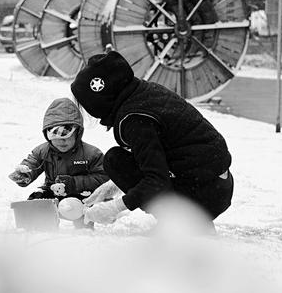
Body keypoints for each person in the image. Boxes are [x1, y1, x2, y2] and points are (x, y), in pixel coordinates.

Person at [70, 51, 234, 225]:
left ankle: (181, 223)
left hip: (205, 194)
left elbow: (157, 180)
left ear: (99, 98)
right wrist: (111, 187)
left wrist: (115, 207)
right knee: (119, 161)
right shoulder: (142, 94)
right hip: (216, 184)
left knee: (115, 161)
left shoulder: (135, 119)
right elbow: (163, 156)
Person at [9, 97, 109, 227]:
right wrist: (24, 173)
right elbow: (32, 163)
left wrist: (73, 183)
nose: (62, 142)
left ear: (77, 134)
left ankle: (83, 231)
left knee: (78, 208)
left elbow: (103, 178)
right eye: (55, 137)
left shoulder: (91, 154)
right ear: (47, 135)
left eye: (67, 137)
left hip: (81, 194)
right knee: (36, 200)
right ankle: (40, 229)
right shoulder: (43, 151)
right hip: (52, 190)